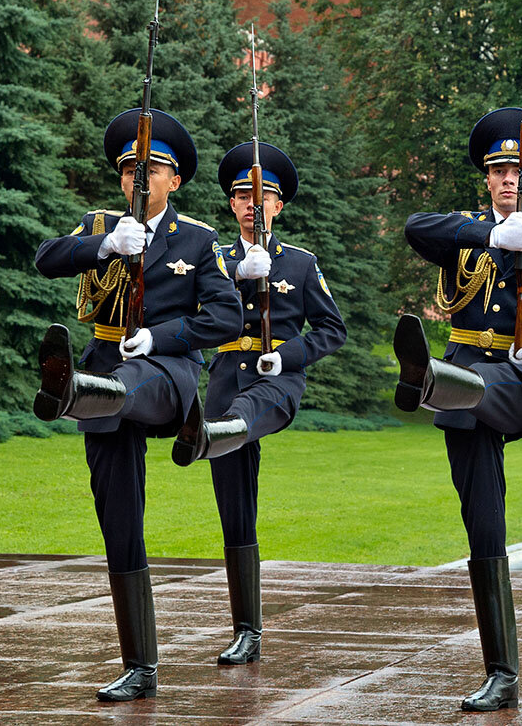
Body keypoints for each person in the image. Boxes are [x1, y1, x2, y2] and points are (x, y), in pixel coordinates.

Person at [394, 107, 522, 712]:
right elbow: (414, 227)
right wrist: (489, 236)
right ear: (486, 179)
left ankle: (427, 379)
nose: (508, 179)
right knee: (483, 523)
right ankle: (502, 673)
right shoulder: (463, 234)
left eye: (519, 171)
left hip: (517, 383)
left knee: (484, 382)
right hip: (466, 394)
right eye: (498, 171)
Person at [33, 108, 242, 702]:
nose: (137, 179)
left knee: (135, 385)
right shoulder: (100, 224)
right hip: (103, 371)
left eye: (150, 170)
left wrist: (163, 335)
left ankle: (71, 392)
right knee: (118, 517)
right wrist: (102, 245)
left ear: (173, 181)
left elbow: (228, 315)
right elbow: (46, 258)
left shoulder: (198, 240)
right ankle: (141, 667)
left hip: (167, 373)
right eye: (129, 170)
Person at [172, 142, 346, 665]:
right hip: (225, 381)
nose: (252, 204)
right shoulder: (214, 259)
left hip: (277, 384)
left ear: (279, 206)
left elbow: (334, 331)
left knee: (240, 420)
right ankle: (247, 630)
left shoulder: (300, 262)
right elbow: (192, 318)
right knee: (235, 512)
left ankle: (209, 431)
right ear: (231, 206)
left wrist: (288, 354)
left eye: (263, 196)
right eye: (242, 196)